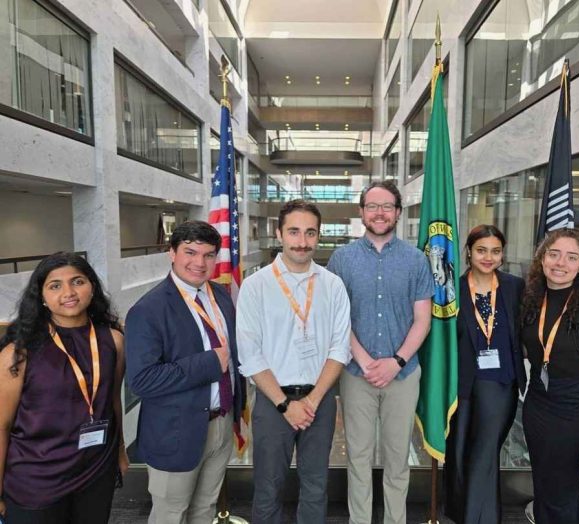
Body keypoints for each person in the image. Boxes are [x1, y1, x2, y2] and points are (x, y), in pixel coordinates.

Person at [236, 199, 351, 524]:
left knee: (316, 486)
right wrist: (287, 405)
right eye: (294, 232)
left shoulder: (333, 285)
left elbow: (339, 348)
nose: (302, 242)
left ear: (319, 236)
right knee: (268, 488)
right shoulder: (255, 286)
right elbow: (250, 353)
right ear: (279, 233)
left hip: (320, 400)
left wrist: (311, 401)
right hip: (273, 403)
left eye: (310, 233)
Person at [327, 180, 433, 524]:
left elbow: (423, 320)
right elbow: (336, 319)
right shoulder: (341, 259)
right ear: (361, 213)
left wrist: (396, 361)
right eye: (372, 206)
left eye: (387, 206)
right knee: (357, 459)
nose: (379, 213)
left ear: (398, 213)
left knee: (397, 459)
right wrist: (363, 359)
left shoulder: (416, 260)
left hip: (402, 375)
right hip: (357, 375)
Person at [125, 220, 244, 524]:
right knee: (171, 515)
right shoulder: (148, 310)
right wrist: (208, 363)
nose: (199, 263)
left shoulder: (221, 297)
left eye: (208, 255)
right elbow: (142, 380)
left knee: (204, 510)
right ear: (171, 253)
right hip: (176, 431)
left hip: (221, 421)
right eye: (190, 252)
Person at [0, 252, 128, 524]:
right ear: (42, 297)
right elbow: (1, 426)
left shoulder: (113, 340)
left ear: (92, 287)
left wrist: (120, 451)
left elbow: (112, 401)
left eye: (77, 281)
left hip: (95, 471)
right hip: (36, 480)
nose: (68, 292)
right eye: (55, 285)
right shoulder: (18, 353)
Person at [444, 225, 526, 524]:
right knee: (460, 450)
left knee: (484, 453)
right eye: (481, 250)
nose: (488, 257)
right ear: (469, 251)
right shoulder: (451, 288)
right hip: (461, 385)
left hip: (500, 384)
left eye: (495, 251)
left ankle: (481, 518)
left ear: (502, 254)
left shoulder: (514, 286)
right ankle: (462, 512)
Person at [521, 228, 579, 524]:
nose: (560, 263)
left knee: (558, 496)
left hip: (576, 411)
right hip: (538, 406)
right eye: (553, 254)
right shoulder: (531, 299)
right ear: (542, 259)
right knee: (547, 492)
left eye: (571, 257)